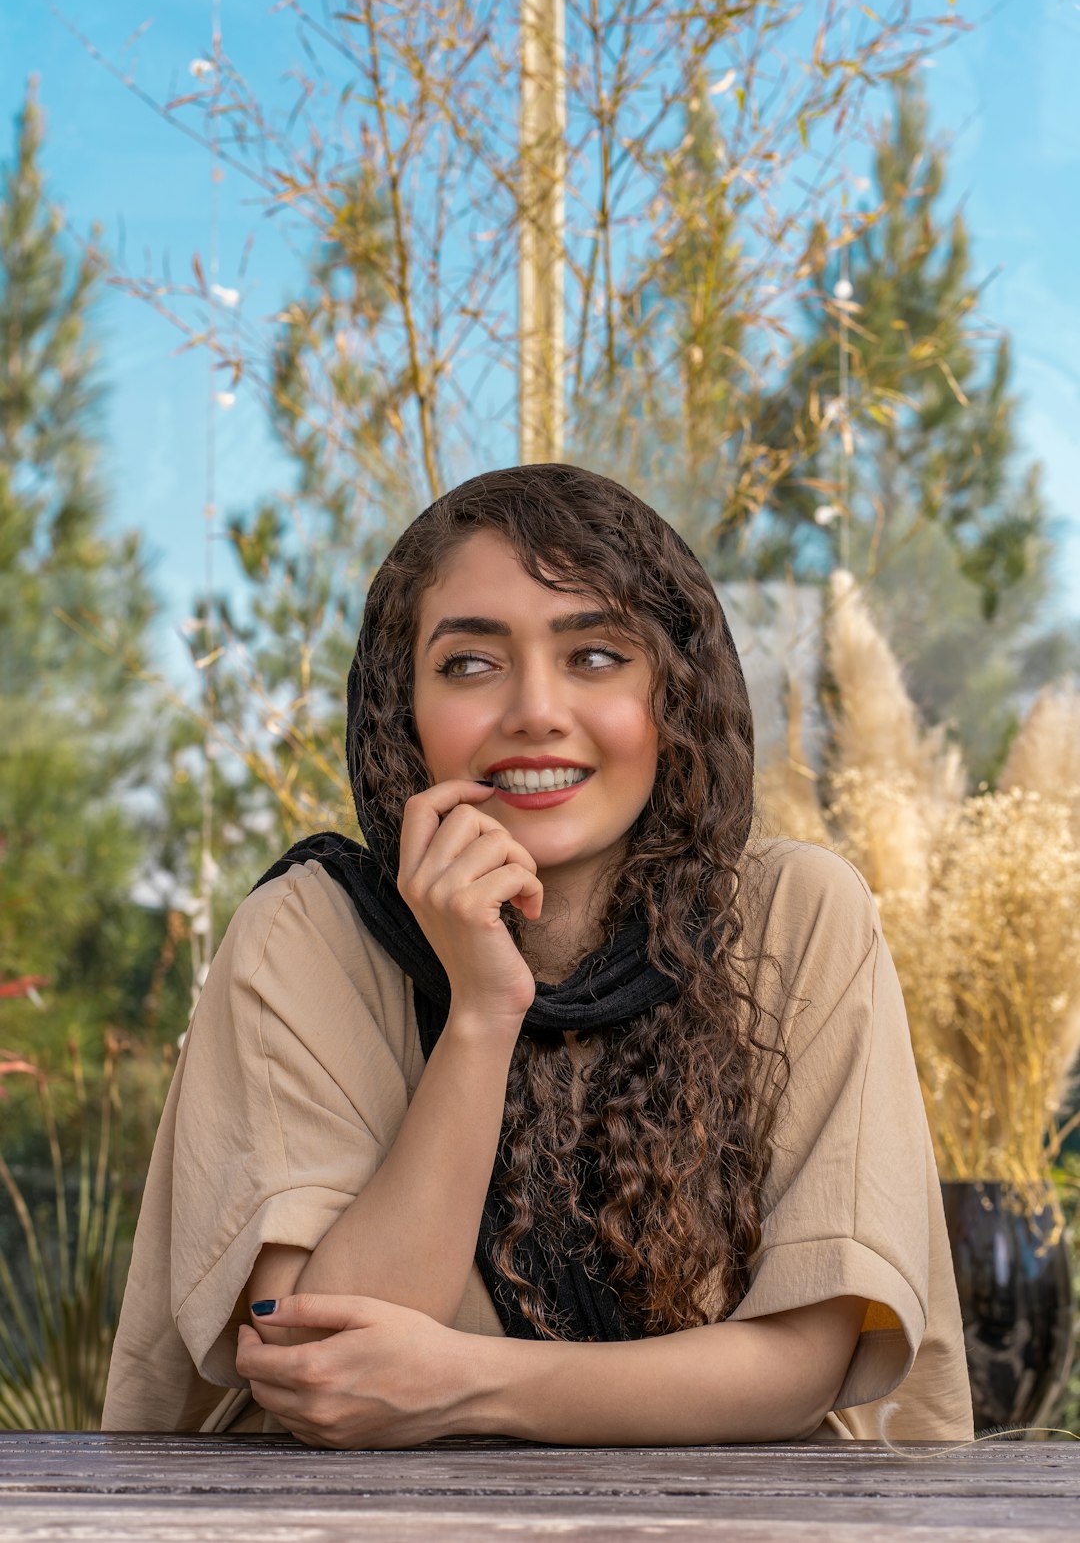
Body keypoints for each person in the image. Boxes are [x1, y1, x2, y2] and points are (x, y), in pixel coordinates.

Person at [102, 464, 973, 1447]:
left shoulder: (794, 918)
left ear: (676, 694)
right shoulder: (307, 936)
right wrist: (480, 1012)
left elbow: (801, 1364)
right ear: (404, 711)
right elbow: (322, 1373)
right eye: (471, 664)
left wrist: (470, 1383)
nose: (535, 710)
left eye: (596, 656)